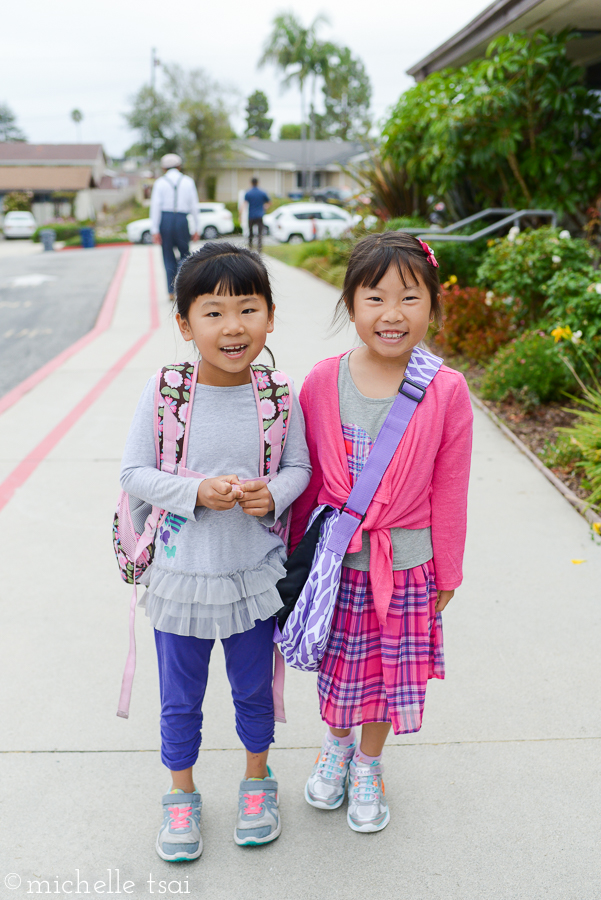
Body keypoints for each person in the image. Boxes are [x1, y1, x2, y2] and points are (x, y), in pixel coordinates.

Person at [120, 242, 311, 859]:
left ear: (271, 316)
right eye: (213, 312)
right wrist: (193, 491)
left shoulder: (280, 393)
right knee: (181, 697)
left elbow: (299, 466)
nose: (233, 327)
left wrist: (274, 494)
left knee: (253, 690)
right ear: (185, 323)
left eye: (248, 309)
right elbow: (133, 474)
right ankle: (181, 797)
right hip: (180, 577)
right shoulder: (167, 390)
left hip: (253, 575)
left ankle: (258, 782)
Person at [290, 231, 473, 834]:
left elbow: (451, 487)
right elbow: (311, 481)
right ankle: (336, 745)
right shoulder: (322, 381)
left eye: (409, 298)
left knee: (391, 671)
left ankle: (369, 763)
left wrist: (448, 568)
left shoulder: (446, 390)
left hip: (407, 564)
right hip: (338, 565)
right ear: (350, 304)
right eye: (375, 298)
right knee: (344, 666)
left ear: (432, 306)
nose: (392, 314)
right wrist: (292, 561)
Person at [150, 153, 200, 300]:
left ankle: (171, 291)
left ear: (164, 168)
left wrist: (154, 229)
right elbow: (194, 206)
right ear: (179, 166)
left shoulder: (160, 182)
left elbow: (155, 207)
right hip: (182, 219)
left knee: (167, 256)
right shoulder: (188, 181)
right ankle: (183, 288)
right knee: (185, 254)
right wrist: (197, 227)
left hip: (165, 220)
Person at [244, 177, 270, 252]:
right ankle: (259, 249)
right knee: (260, 234)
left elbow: (244, 204)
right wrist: (265, 207)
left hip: (251, 216)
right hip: (259, 215)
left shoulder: (248, 193)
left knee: (250, 234)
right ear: (258, 183)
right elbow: (269, 202)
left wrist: (240, 215)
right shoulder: (262, 192)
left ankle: (250, 248)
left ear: (251, 183)